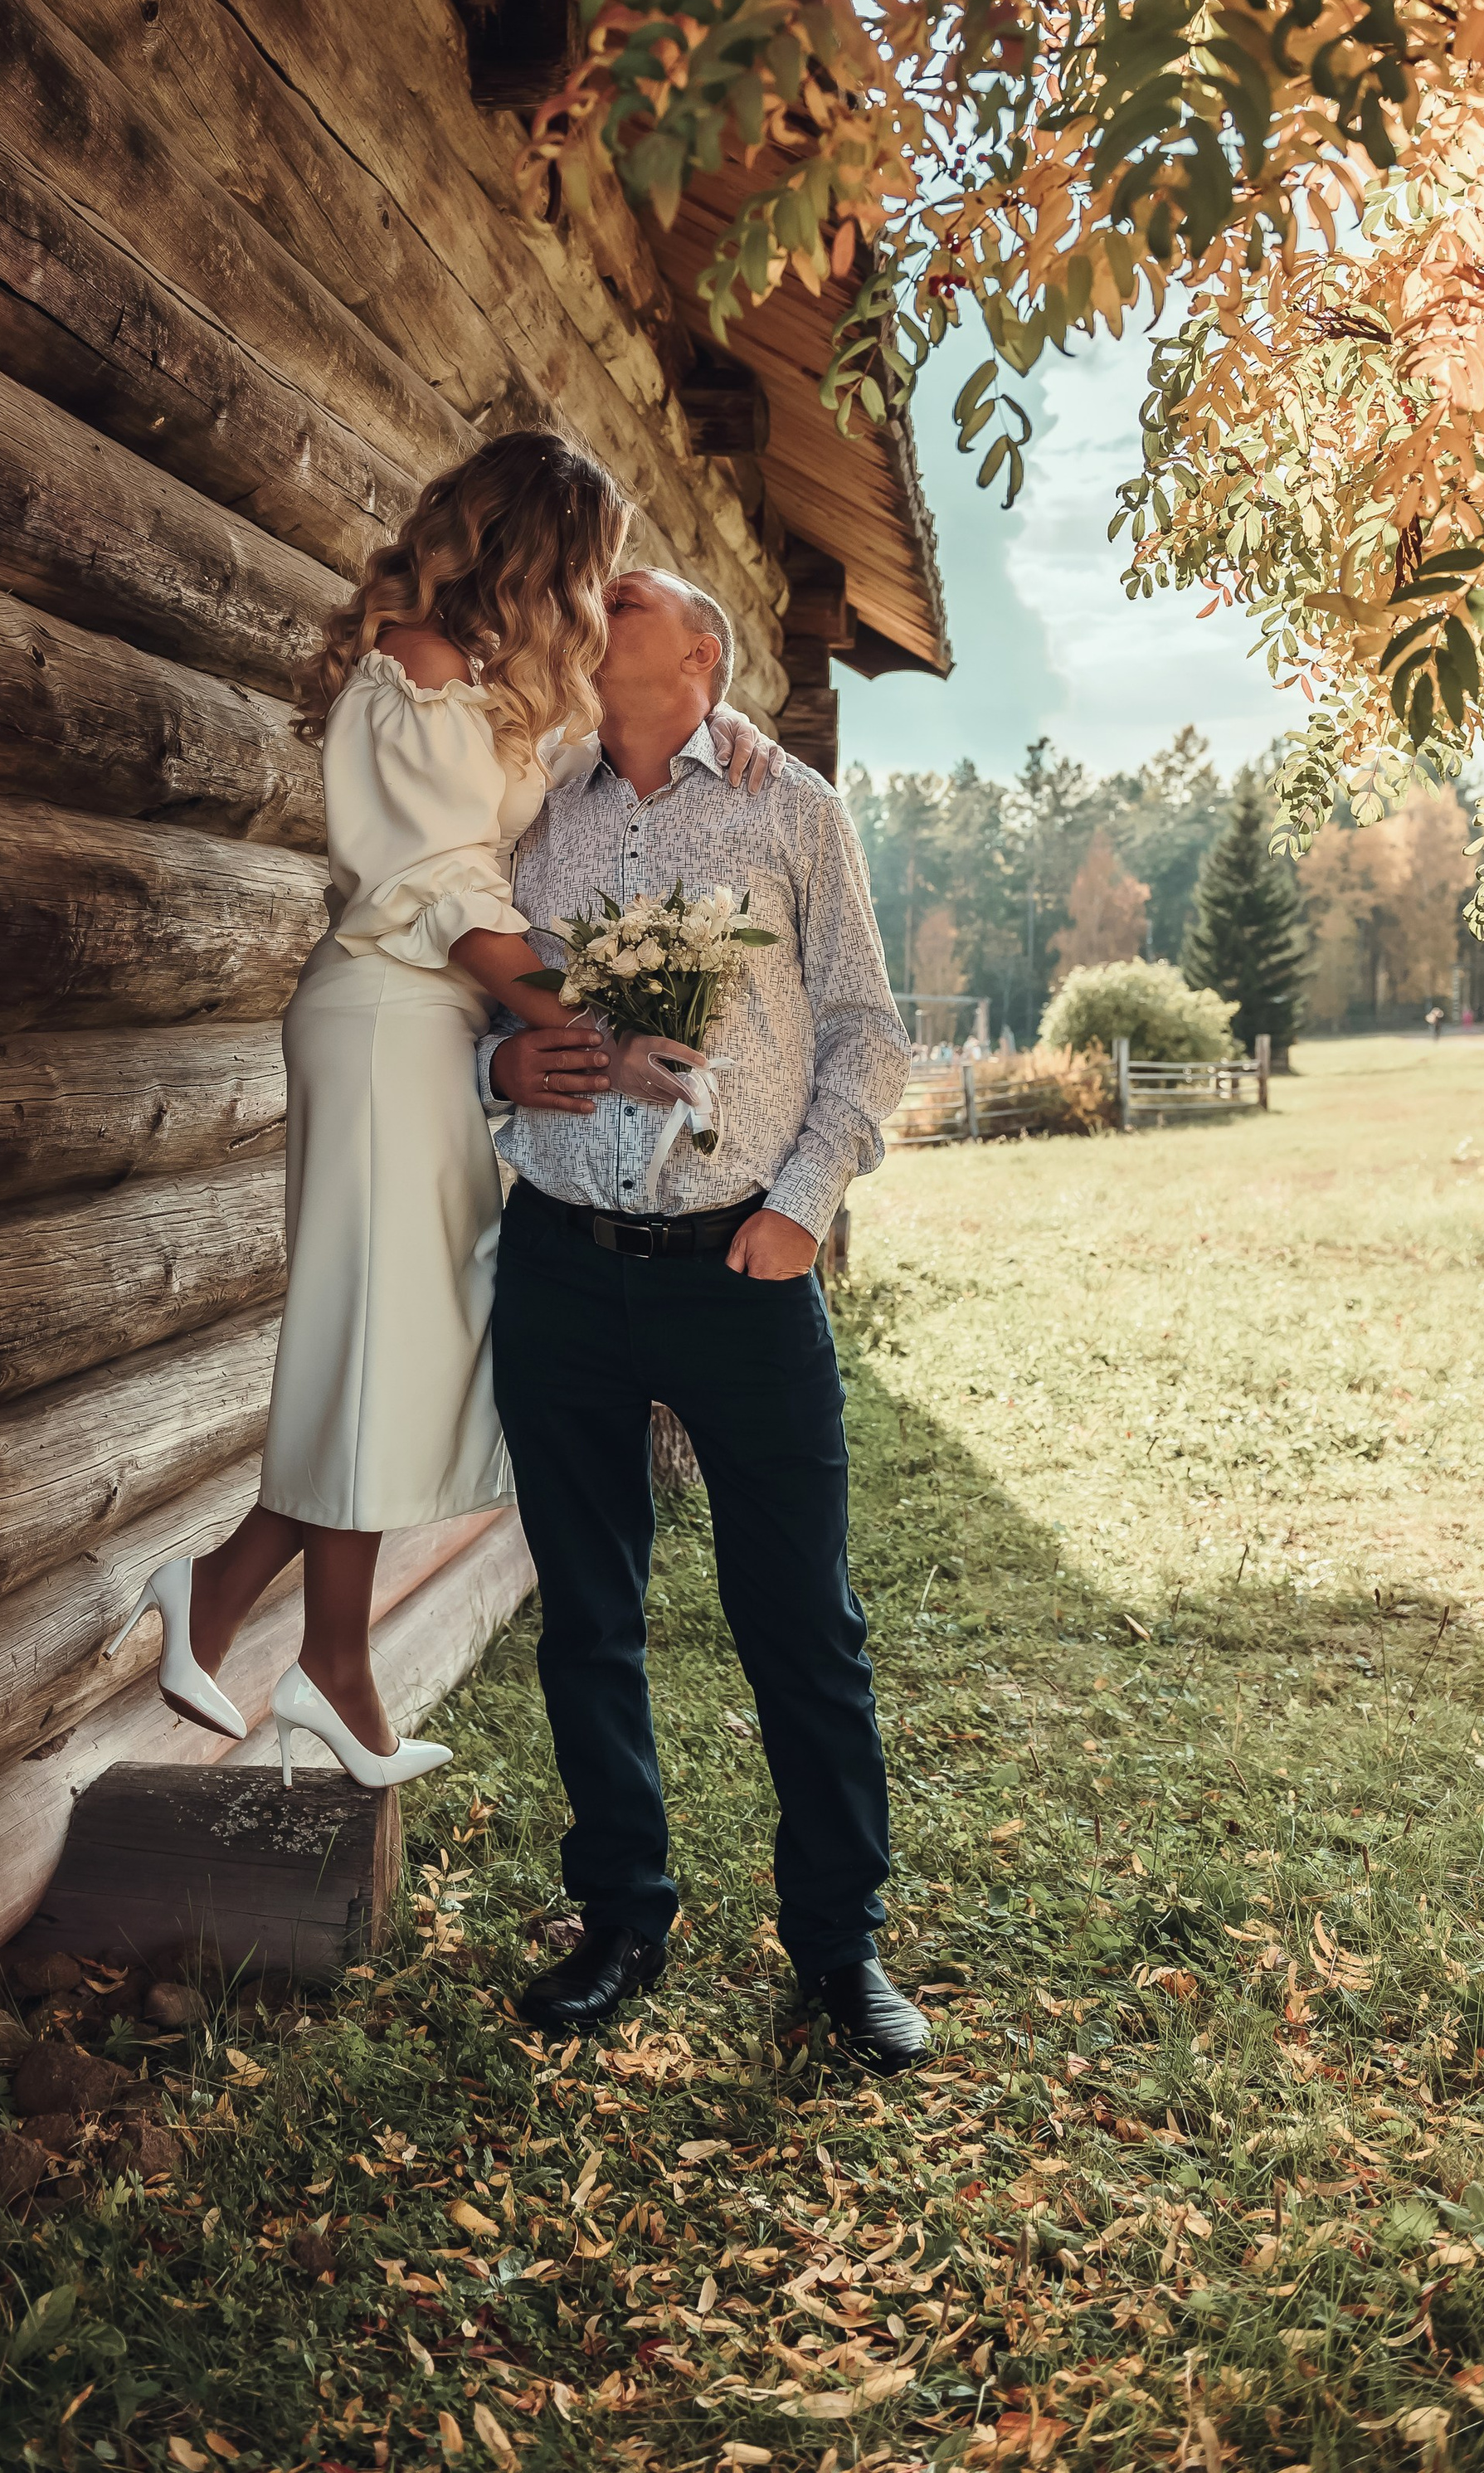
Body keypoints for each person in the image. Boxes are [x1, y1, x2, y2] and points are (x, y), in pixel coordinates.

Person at [105, 434, 778, 1789]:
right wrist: (593, 1028)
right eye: (590, 569)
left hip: (430, 1033)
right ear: (541, 552)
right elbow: (453, 908)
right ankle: (295, 1643)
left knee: (405, 1337)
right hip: (385, 1022)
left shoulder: (470, 684)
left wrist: (724, 721)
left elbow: (595, 755)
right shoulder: (412, 673)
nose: (596, 601)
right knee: (385, 1333)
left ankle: (263, 1620)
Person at [484, 567, 927, 2073]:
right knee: (587, 1613)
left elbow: (868, 1023)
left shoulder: (787, 803)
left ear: (702, 658)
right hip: (560, 1259)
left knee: (802, 1619)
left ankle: (840, 1945)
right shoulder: (533, 804)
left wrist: (801, 1205)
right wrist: (502, 1072)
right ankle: (618, 1919)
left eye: (630, 604)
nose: (593, 608)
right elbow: (463, 986)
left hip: (743, 1261)